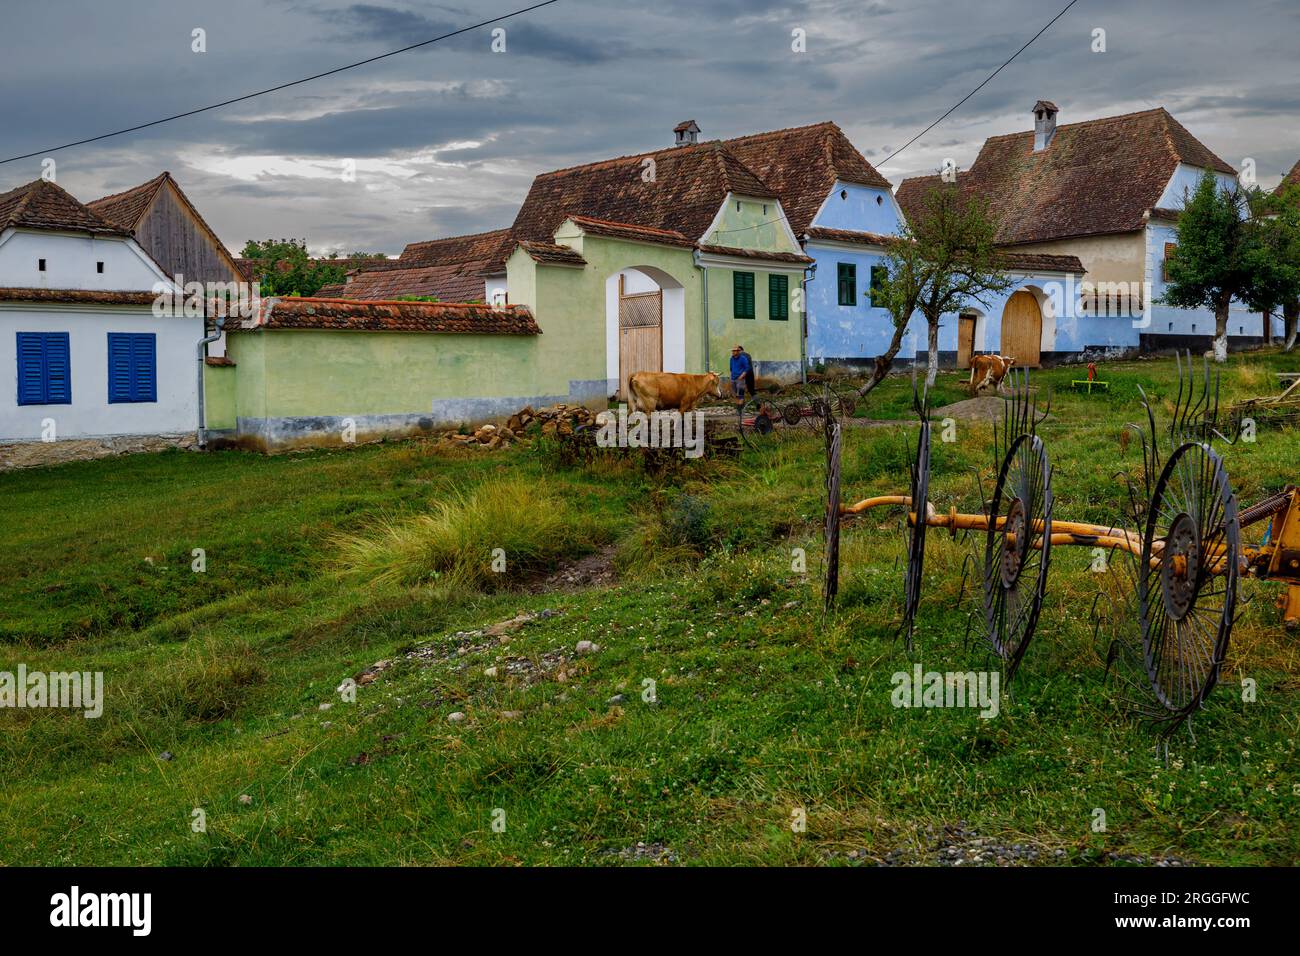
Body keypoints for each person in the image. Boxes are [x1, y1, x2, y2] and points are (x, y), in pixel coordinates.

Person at [730, 344, 753, 412]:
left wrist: (742, 375)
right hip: (733, 378)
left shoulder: (743, 359)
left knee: (740, 394)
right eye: (732, 351)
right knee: (735, 394)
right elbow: (731, 368)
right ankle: (739, 407)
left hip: (740, 379)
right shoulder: (731, 359)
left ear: (738, 351)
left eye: (734, 351)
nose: (733, 352)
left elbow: (747, 368)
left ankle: (740, 410)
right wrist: (731, 377)